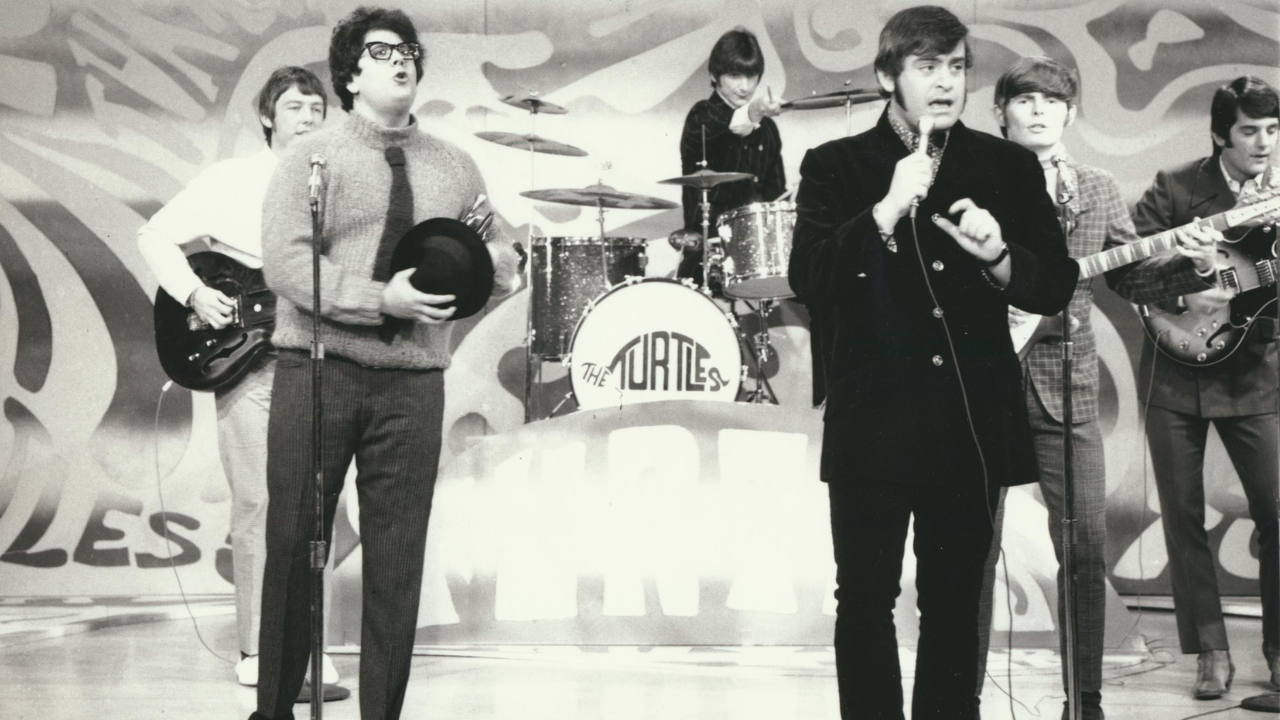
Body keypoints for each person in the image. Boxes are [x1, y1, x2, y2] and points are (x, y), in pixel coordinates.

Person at [786, 7, 1079, 718]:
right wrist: (884, 210)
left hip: (967, 420)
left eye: (956, 67)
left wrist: (999, 256)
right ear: (889, 76)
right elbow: (810, 279)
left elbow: (1054, 284)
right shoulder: (836, 165)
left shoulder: (1007, 165)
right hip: (873, 419)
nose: (946, 82)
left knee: (953, 600)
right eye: (927, 67)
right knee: (864, 596)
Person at [248, 7, 519, 720]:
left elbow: (498, 248)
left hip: (413, 385)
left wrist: (497, 265)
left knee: (397, 565)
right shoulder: (313, 157)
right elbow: (285, 262)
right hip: (319, 371)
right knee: (294, 548)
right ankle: (272, 712)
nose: (401, 60)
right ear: (350, 74)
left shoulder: (454, 165)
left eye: (409, 50)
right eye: (381, 50)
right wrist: (380, 300)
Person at [136, 66, 337, 689]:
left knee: (318, 503)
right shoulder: (229, 179)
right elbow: (154, 234)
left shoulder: (339, 181)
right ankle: (257, 650)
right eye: (295, 106)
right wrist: (194, 293)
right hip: (252, 359)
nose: (308, 117)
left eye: (316, 107)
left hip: (321, 357)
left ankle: (312, 647)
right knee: (258, 501)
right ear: (268, 117)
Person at [1105, 75, 1279, 701]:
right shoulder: (1176, 187)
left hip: (1254, 373)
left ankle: (1279, 652)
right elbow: (1127, 273)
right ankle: (1210, 650)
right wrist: (1188, 280)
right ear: (1220, 135)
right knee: (1181, 515)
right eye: (1250, 131)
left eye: (1273, 130)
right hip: (1176, 372)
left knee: (1277, 511)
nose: (1264, 143)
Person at [671, 27, 785, 287]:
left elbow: (775, 194)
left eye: (751, 75)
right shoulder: (701, 115)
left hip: (759, 255)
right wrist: (756, 110)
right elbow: (730, 128)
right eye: (734, 75)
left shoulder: (768, 129)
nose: (745, 86)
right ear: (715, 75)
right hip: (707, 255)